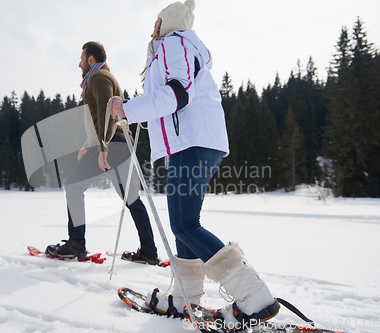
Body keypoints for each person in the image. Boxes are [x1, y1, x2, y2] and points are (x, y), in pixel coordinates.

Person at [110, 0, 279, 329]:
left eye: (156, 22)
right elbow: (171, 96)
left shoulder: (175, 43)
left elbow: (176, 94)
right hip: (192, 143)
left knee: (185, 225)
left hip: (194, 142)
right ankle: (186, 299)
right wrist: (137, 108)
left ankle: (255, 298)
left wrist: (127, 109)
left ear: (168, 22)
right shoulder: (171, 48)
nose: (152, 28)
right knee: (184, 225)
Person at [46, 42, 159, 265]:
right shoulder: (103, 77)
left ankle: (76, 244)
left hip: (112, 145)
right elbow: (100, 118)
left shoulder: (99, 78)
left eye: (81, 58)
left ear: (91, 59)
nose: (79, 63)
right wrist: (90, 144)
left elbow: (106, 111)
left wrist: (102, 147)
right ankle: (149, 251)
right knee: (132, 199)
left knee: (73, 187)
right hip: (120, 144)